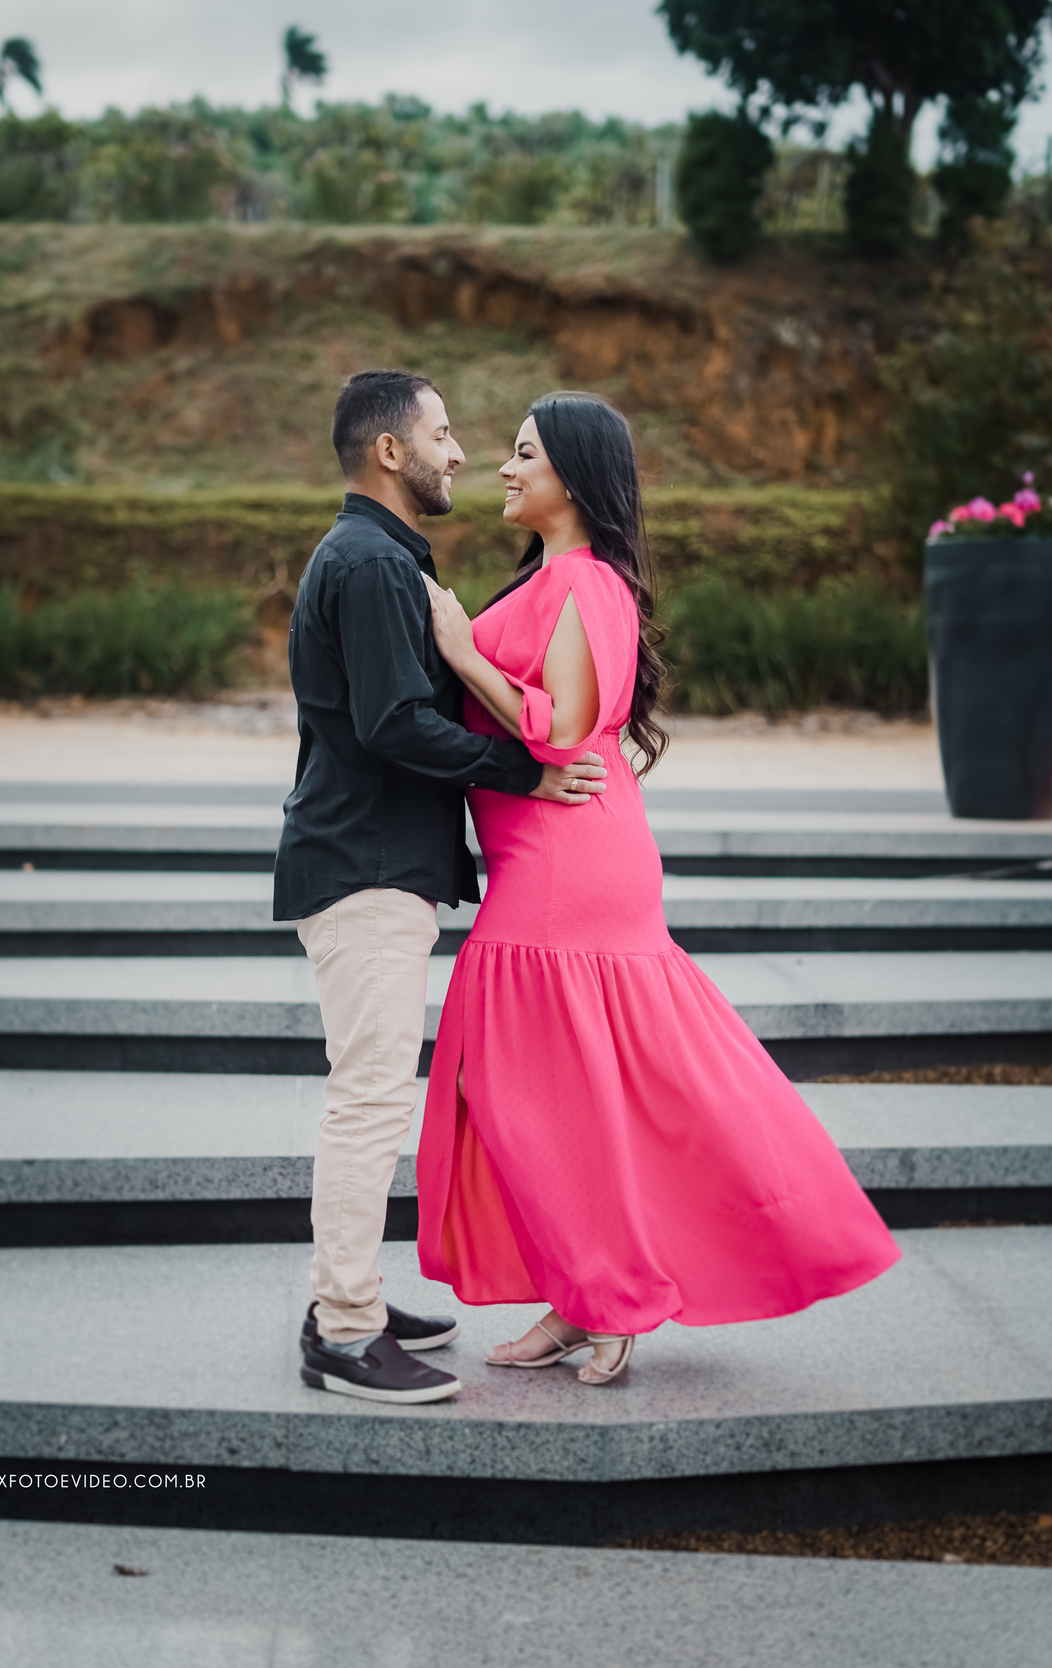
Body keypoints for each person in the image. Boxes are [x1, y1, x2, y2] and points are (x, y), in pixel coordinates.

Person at [416, 391, 901, 1385]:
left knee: (529, 1089)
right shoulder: (551, 580)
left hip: (568, 860)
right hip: (550, 854)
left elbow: (563, 729)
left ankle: (613, 1291)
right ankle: (582, 1291)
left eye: (524, 453)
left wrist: (460, 650)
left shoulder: (587, 582)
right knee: (558, 1092)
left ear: (574, 477)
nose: (504, 467)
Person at [274, 369, 608, 1405]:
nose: (460, 452)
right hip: (365, 867)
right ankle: (344, 1329)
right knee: (369, 1099)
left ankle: (349, 1297)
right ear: (390, 451)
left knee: (372, 1092)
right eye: (444, 432)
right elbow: (393, 724)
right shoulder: (374, 562)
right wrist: (526, 771)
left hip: (371, 862)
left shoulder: (374, 555)